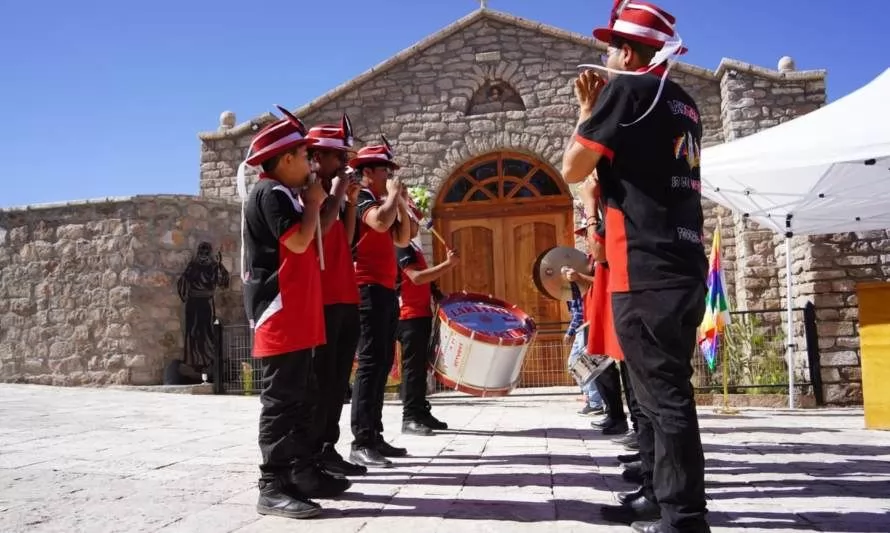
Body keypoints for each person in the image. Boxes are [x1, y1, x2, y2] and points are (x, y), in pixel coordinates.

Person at [560, 3, 709, 532]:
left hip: (644, 266)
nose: (604, 58)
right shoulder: (687, 103)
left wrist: (588, 111)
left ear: (627, 51)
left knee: (663, 400)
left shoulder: (626, 90)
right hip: (683, 261)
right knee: (663, 393)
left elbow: (573, 166)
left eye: (609, 48)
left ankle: (684, 517)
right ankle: (659, 499)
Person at [238, 114, 350, 520]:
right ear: (285, 160)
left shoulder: (287, 193)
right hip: (280, 312)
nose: (312, 162)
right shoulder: (270, 194)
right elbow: (300, 240)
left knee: (302, 396)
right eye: (305, 155)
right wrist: (318, 200)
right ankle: (272, 484)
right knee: (281, 401)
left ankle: (300, 473)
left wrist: (317, 200)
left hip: (299, 312)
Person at [305, 117, 366, 477]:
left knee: (338, 379)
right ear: (317, 157)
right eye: (337, 157)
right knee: (322, 380)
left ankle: (328, 447)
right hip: (323, 299)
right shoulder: (310, 192)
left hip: (345, 294)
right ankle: (313, 450)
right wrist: (340, 191)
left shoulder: (336, 193)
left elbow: (344, 238)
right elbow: (318, 229)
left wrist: (352, 202)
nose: (345, 164)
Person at [348, 140, 413, 469]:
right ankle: (361, 440)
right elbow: (380, 223)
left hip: (386, 288)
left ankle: (374, 434)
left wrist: (401, 202)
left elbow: (402, 237)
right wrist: (392, 198)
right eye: (386, 169)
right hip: (366, 288)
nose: (390, 174)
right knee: (371, 363)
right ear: (368, 172)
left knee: (384, 361)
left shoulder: (382, 199)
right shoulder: (362, 197)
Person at [396, 200, 459, 435]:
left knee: (421, 366)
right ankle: (409, 417)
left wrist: (438, 294)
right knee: (412, 368)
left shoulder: (414, 248)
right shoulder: (400, 246)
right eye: (412, 220)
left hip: (421, 312)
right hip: (407, 315)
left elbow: (425, 281)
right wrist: (448, 265)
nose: (416, 223)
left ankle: (421, 410)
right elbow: (416, 278)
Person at [562, 228, 604, 417]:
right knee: (581, 362)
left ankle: (595, 401)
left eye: (587, 235)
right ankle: (592, 398)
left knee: (585, 362)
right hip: (587, 321)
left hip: (595, 319)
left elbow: (603, 283)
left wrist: (579, 277)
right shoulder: (587, 261)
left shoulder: (600, 261)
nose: (586, 239)